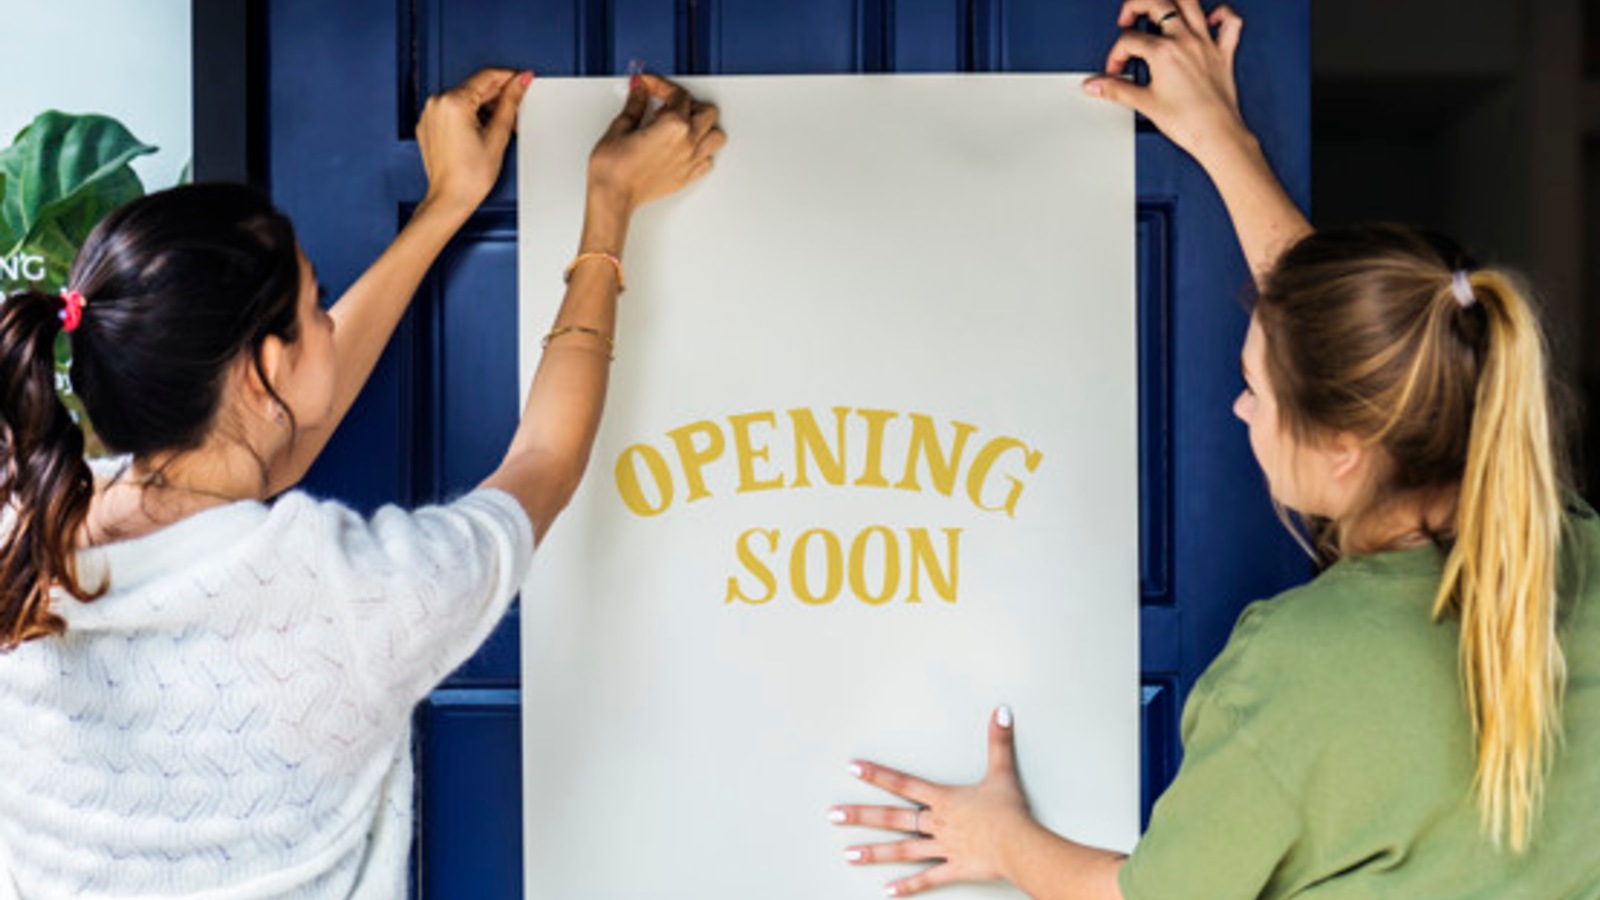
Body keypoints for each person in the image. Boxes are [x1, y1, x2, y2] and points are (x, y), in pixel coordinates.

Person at [831, 2, 1599, 897]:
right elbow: (1356, 349)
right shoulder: (1581, 557)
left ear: (1346, 449)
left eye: (1256, 392)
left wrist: (1001, 841)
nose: (1238, 409)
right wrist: (1223, 139)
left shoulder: (1297, 669)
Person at [0, 68, 724, 897]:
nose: (328, 321)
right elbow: (545, 463)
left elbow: (269, 441)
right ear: (266, 369)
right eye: (317, 304)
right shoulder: (352, 595)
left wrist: (450, 201)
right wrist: (609, 204)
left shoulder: (20, 535)